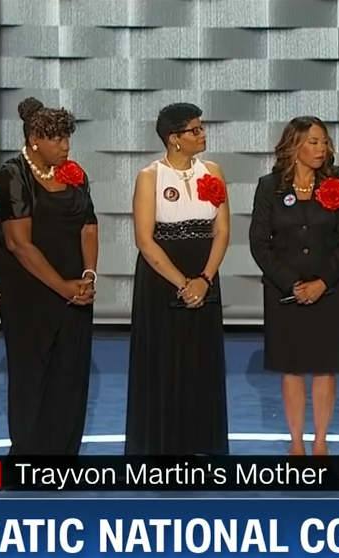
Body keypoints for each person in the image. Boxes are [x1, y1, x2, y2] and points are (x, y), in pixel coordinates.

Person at [248, 116, 339, 456]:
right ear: (294, 145)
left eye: (324, 142)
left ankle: (321, 442)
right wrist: (291, 284)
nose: (321, 148)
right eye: (313, 141)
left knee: (326, 366)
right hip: (286, 294)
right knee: (292, 366)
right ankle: (296, 442)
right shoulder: (269, 188)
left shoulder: (338, 185)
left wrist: (322, 283)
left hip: (331, 290)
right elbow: (259, 243)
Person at [0, 97, 99, 456]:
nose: (65, 146)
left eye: (68, 138)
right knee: (31, 373)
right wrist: (63, 288)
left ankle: (64, 454)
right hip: (29, 292)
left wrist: (87, 277)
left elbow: (88, 226)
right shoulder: (13, 174)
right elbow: (18, 244)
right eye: (57, 139)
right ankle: (28, 455)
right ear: (34, 139)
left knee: (70, 370)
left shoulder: (75, 173)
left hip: (75, 288)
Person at [126, 102, 231, 455]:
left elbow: (223, 230)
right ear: (174, 138)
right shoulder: (150, 176)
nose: (203, 134)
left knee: (201, 363)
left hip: (205, 275)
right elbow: (144, 239)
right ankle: (162, 447)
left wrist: (204, 279)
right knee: (165, 363)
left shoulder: (213, 171)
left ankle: (201, 443)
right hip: (162, 281)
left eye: (202, 128)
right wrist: (183, 284)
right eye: (195, 130)